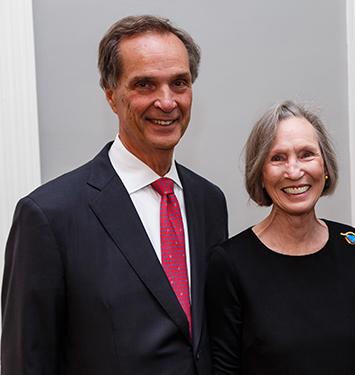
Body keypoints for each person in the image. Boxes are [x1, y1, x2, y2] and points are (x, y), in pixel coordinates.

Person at [1, 15, 228, 375]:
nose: (167, 101)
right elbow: (25, 362)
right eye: (145, 85)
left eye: (179, 83)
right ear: (110, 95)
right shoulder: (49, 216)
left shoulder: (209, 201)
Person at [206, 101, 355, 375]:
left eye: (307, 154)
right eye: (277, 158)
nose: (294, 171)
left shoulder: (353, 245)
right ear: (261, 174)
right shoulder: (229, 263)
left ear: (325, 165)